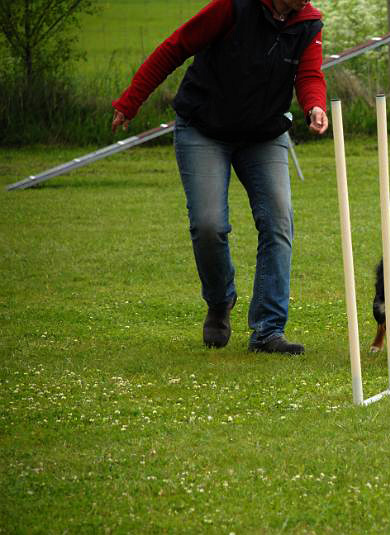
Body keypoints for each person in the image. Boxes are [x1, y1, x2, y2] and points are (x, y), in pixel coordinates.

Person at [111, 0, 329, 355]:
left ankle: (267, 331)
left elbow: (308, 75)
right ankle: (219, 300)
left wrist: (314, 105)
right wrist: (131, 100)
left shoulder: (308, 22)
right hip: (204, 128)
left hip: (264, 134)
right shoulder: (232, 7)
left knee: (278, 222)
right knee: (209, 224)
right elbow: (175, 46)